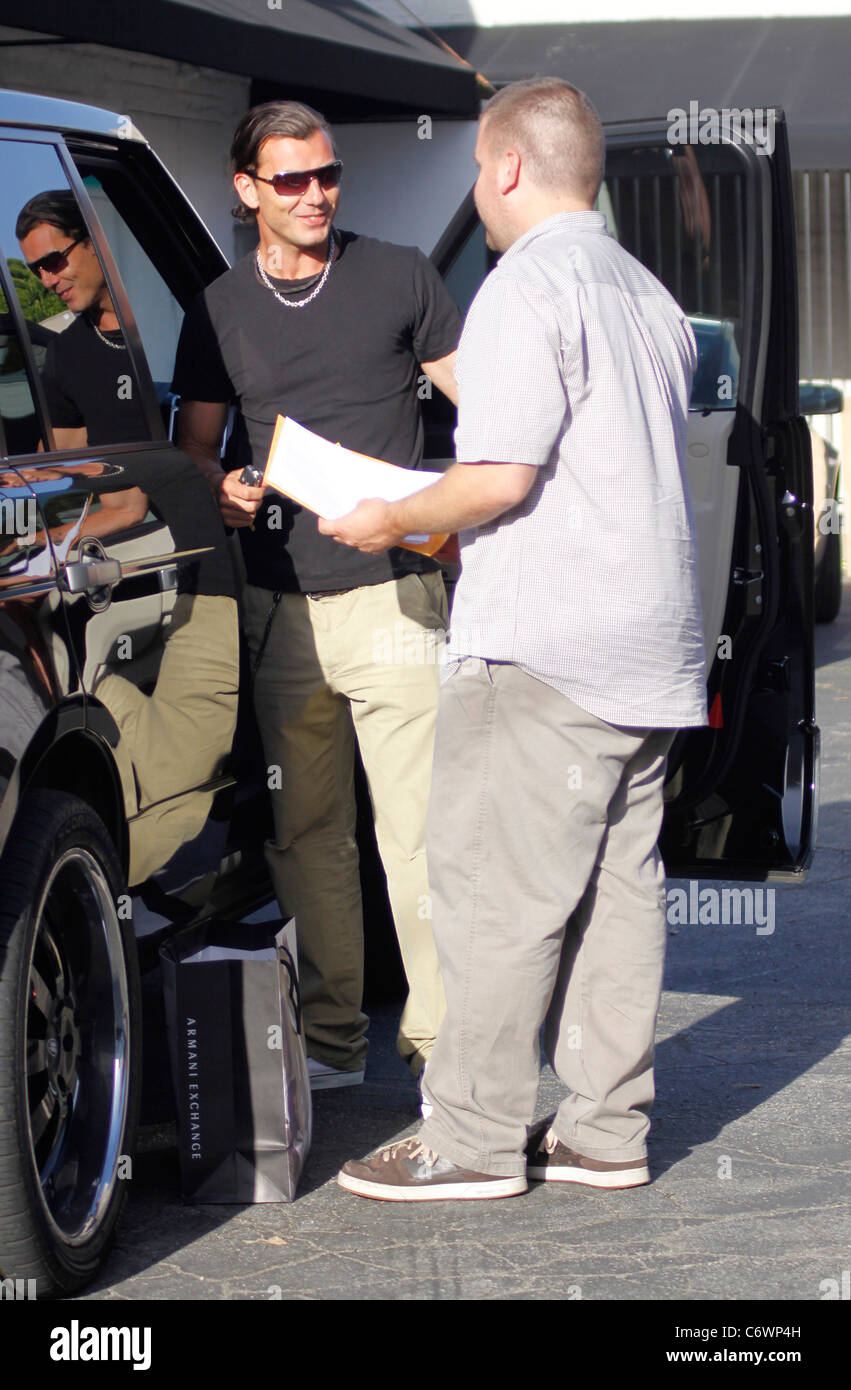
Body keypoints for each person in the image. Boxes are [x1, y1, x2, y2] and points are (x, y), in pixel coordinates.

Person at [329, 77, 708, 1200]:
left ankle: (472, 1137)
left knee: (492, 891)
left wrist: (392, 515)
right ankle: (604, 1128)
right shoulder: (648, 295)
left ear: (501, 168)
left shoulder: (520, 288)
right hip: (652, 651)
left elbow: (498, 478)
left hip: (544, 643)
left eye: (474, 174)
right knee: (614, 896)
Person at [171, 101, 461, 1090]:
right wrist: (220, 490)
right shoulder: (218, 308)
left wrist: (454, 513)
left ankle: (441, 1051)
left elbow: (487, 406)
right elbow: (195, 450)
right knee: (307, 832)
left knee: (419, 831)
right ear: (246, 188)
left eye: (326, 175)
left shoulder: (398, 273)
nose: (313, 195)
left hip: (393, 594)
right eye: (289, 179)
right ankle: (333, 1041)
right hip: (277, 607)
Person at [16, 190, 148, 448]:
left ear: (95, 242)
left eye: (53, 261)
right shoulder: (65, 354)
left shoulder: (177, 320)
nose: (47, 281)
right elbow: (53, 463)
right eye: (36, 270)